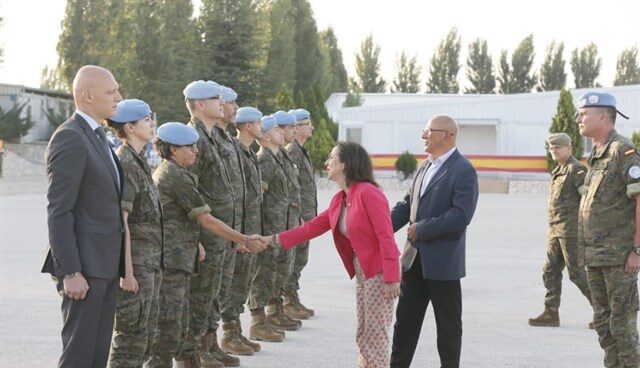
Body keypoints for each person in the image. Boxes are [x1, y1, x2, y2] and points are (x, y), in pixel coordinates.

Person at [262, 141, 401, 368]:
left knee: (376, 333)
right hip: (362, 269)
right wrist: (272, 240)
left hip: (379, 271)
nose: (327, 162)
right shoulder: (341, 198)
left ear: (346, 164)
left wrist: (392, 277)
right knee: (364, 330)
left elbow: (386, 236)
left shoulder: (369, 193)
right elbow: (312, 227)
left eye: (332, 157)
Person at [146, 123, 265, 368]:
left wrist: (197, 242)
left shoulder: (175, 171)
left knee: (179, 317)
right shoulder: (175, 176)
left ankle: (189, 358)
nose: (195, 151)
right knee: (169, 322)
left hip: (181, 254)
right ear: (173, 149)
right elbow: (207, 219)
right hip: (172, 259)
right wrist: (243, 239)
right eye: (189, 147)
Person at [41, 65, 124, 368]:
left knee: (97, 354)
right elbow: (59, 209)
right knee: (78, 356)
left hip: (104, 266)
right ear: (88, 95)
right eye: (111, 91)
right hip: (84, 270)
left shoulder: (98, 136)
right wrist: (70, 271)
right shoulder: (70, 137)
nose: (118, 97)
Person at [389, 115, 479, 368]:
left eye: (429, 131)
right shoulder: (424, 166)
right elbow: (407, 205)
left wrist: (423, 229)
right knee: (405, 324)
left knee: (448, 328)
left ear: (446, 135)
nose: (423, 136)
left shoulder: (463, 170)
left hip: (443, 264)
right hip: (413, 260)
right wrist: (380, 228)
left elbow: (461, 215)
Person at [575, 91, 640, 368]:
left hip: (619, 258)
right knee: (603, 322)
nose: (579, 118)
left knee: (622, 325)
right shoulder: (597, 153)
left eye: (584, 114)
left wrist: (637, 250)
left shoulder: (622, 151)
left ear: (602, 116)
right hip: (596, 257)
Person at [179, 81, 240, 368]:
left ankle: (208, 345)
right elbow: (189, 192)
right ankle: (190, 355)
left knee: (214, 294)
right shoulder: (192, 139)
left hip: (221, 232)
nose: (222, 103)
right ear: (200, 105)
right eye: (215, 99)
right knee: (200, 296)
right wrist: (197, 238)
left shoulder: (212, 136)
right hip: (207, 232)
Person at [105, 99, 164, 368]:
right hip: (136, 267)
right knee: (130, 341)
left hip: (150, 264)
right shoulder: (126, 163)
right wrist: (126, 273)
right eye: (147, 121)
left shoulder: (139, 161)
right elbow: (122, 222)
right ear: (129, 127)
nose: (152, 124)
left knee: (145, 337)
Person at [529, 133, 592, 328]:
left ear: (569, 148)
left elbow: (588, 200)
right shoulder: (558, 170)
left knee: (577, 274)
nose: (553, 150)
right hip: (555, 229)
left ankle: (603, 312)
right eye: (551, 148)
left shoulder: (576, 170)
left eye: (558, 147)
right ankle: (551, 312)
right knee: (550, 270)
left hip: (571, 231)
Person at [220, 107, 265, 355]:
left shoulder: (248, 154)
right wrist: (237, 235)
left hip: (250, 228)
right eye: (259, 123)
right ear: (249, 126)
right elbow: (234, 198)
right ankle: (228, 334)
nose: (262, 127)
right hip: (238, 232)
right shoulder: (235, 150)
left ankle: (234, 331)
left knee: (242, 282)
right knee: (233, 284)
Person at [248, 115, 291, 341]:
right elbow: (259, 198)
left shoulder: (276, 158)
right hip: (267, 228)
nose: (281, 132)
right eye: (276, 129)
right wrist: (260, 231)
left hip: (279, 227)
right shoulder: (264, 159)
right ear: (265, 136)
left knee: (273, 272)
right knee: (263, 274)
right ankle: (257, 322)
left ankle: (269, 316)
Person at [268, 110, 304, 330]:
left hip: (288, 223)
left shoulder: (283, 156)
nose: (294, 131)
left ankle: (277, 309)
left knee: (284, 269)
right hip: (273, 226)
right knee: (268, 272)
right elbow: (260, 198)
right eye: (290, 127)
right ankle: (263, 317)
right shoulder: (267, 159)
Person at [283, 108, 317, 320]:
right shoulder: (293, 152)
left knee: (300, 258)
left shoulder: (301, 150)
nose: (311, 127)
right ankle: (288, 300)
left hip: (306, 214)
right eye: (307, 124)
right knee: (294, 259)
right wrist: (299, 215)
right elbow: (292, 188)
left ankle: (291, 297)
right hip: (300, 216)